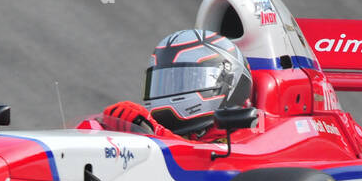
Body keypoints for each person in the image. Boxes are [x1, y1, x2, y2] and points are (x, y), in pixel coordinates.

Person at [98, 29, 254, 141]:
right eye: (164, 82)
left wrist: (153, 131)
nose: (171, 90)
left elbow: (200, 159)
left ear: (229, 81)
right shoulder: (187, 133)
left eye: (187, 81)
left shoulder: (247, 138)